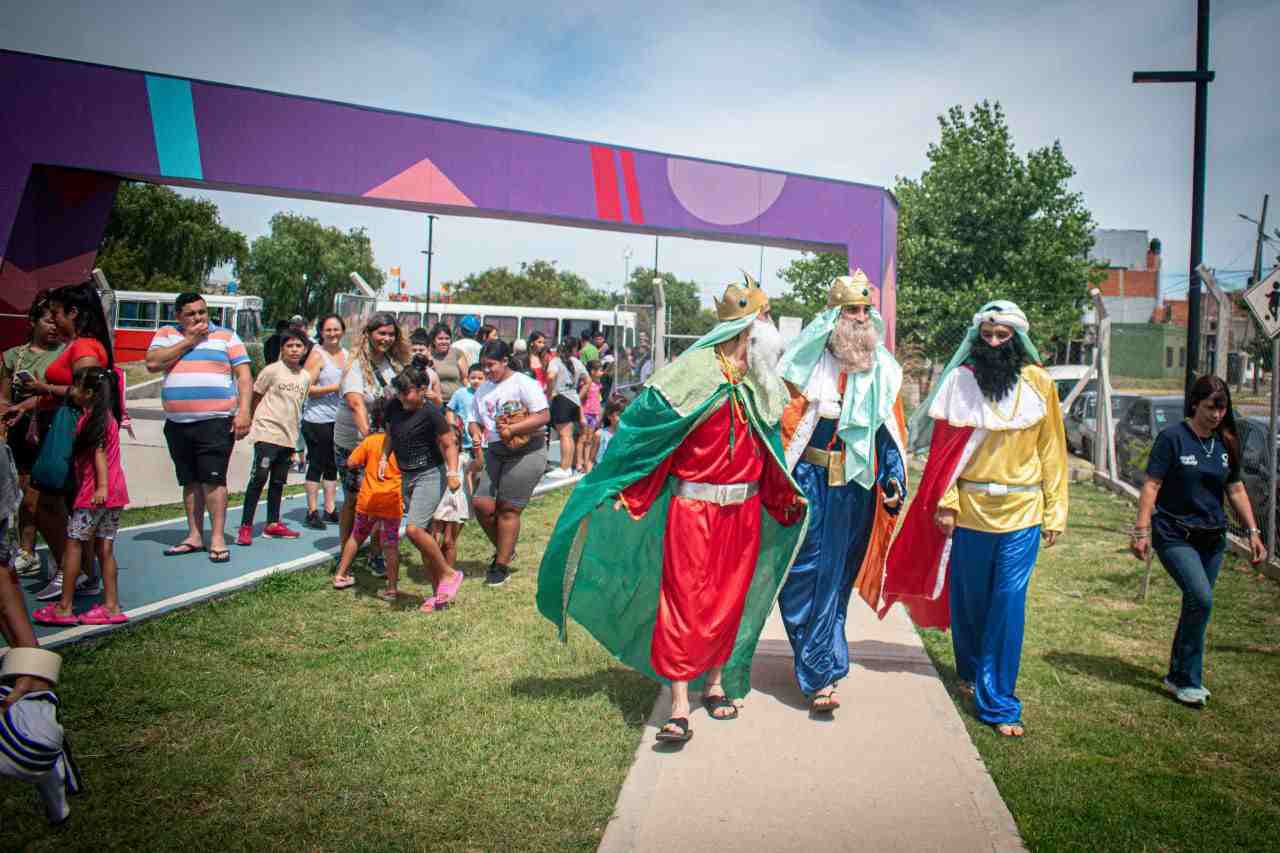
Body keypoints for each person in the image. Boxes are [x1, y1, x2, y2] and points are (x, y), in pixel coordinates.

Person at [537, 275, 806, 745]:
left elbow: (770, 451)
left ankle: (716, 683)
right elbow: (645, 429)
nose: (770, 328)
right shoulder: (692, 373)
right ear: (748, 327)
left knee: (729, 599)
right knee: (683, 601)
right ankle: (680, 705)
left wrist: (784, 494)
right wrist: (626, 486)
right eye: (764, 317)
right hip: (693, 509)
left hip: (741, 513)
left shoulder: (764, 380)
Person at [884, 301, 1068, 738]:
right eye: (987, 335)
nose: (994, 343)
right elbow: (944, 456)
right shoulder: (961, 382)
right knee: (969, 600)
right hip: (970, 510)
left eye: (1003, 336)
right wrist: (946, 502)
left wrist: (1055, 509)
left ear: (1017, 339)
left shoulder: (1040, 384)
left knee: (1008, 602)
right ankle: (968, 671)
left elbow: (1053, 451)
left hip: (1022, 511)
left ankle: (999, 701)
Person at [775, 272, 908, 713]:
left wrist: (892, 479)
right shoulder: (803, 368)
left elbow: (889, 435)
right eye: (851, 310)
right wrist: (783, 483)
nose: (860, 319)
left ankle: (822, 673)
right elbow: (784, 431)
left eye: (866, 311)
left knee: (836, 581)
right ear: (833, 316)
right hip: (810, 486)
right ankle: (818, 664)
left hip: (857, 489)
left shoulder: (883, 369)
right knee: (802, 578)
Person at [1131, 375, 1267, 707]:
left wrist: (1253, 531)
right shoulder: (1173, 439)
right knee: (1202, 599)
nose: (1217, 415)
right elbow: (1151, 485)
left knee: (1197, 605)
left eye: (1222, 409)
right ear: (1195, 404)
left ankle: (1178, 674)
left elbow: (1234, 489)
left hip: (1213, 538)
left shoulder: (1226, 442)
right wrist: (1142, 530)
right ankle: (1188, 680)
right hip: (1174, 534)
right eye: (1210, 407)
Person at [26, 282, 118, 600]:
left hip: (71, 433)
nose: (55, 320)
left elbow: (88, 392)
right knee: (63, 504)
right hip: (66, 429)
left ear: (74, 313)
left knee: (45, 502)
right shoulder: (79, 345)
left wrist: (43, 389)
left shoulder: (84, 348)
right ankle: (80, 571)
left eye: (57, 313)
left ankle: (71, 568)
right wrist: (26, 405)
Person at [146, 291, 252, 564]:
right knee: (190, 481)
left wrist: (244, 411)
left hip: (215, 422)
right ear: (178, 316)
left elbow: (244, 376)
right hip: (178, 424)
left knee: (213, 480)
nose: (198, 317)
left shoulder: (227, 336)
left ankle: (216, 537)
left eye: (202, 312)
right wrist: (189, 341)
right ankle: (194, 535)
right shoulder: (167, 334)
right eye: (191, 314)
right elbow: (153, 363)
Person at [33, 367, 130, 626]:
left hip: (95, 495)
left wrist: (101, 487)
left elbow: (98, 455)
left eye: (75, 387)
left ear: (88, 393)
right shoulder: (108, 417)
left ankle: (64, 607)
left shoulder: (89, 420)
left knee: (74, 544)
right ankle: (111, 605)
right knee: (105, 549)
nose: (71, 392)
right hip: (116, 494)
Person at [468, 339, 551, 587]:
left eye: (491, 365)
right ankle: (506, 547)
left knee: (507, 508)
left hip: (527, 451)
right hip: (496, 451)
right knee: (482, 505)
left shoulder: (523, 383)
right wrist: (474, 431)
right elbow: (474, 418)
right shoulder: (483, 389)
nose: (487, 371)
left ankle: (501, 564)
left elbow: (544, 415)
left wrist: (513, 429)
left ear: (505, 361)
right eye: (483, 366)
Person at [382, 366, 465, 610]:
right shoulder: (394, 407)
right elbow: (390, 435)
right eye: (398, 392)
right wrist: (383, 458)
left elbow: (449, 443)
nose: (401, 398)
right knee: (425, 538)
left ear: (421, 390)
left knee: (414, 530)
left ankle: (449, 574)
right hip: (407, 476)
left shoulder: (431, 413)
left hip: (430, 474)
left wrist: (452, 473)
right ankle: (438, 595)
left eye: (406, 392)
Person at [334, 313, 409, 569]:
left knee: (382, 497)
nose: (386, 339)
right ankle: (346, 550)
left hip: (386, 442)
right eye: (381, 333)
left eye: (391, 334)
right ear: (368, 334)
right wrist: (369, 441)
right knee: (355, 498)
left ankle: (375, 551)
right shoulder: (355, 364)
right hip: (354, 441)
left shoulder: (394, 364)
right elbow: (356, 403)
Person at [0, 292, 64, 576]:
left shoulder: (64, 354)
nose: (53, 327)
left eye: (57, 322)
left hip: (52, 427)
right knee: (24, 495)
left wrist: (34, 400)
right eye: (48, 321)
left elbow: (66, 395)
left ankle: (58, 550)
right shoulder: (13, 355)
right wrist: (8, 413)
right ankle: (27, 550)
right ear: (33, 322)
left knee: (49, 496)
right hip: (20, 430)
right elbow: (2, 397)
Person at [235, 331, 311, 544]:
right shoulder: (271, 371)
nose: (295, 349)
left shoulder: (305, 377)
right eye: (290, 345)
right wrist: (249, 418)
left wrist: (298, 442)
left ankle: (273, 523)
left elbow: (297, 407)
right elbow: (256, 395)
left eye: (299, 346)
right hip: (267, 433)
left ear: (305, 349)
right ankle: (246, 526)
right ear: (282, 349)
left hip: (289, 437)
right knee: (259, 478)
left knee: (278, 481)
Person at [330, 400, 402, 598]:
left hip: (368, 500)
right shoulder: (401, 443)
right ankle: (392, 587)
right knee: (391, 544)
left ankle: (340, 574)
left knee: (356, 536)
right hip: (391, 501)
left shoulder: (370, 441)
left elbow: (351, 462)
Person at [301, 314, 348, 529]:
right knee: (317, 463)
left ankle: (329, 509)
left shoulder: (346, 355)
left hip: (338, 418)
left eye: (336, 329)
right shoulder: (317, 355)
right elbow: (306, 389)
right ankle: (312, 511)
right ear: (321, 332)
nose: (332, 334)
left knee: (332, 465)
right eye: (328, 330)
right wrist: (334, 388)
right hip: (317, 419)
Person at [435, 363, 485, 564]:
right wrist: (450, 426)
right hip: (440, 504)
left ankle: (449, 570)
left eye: (480, 378)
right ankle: (436, 567)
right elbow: (450, 409)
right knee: (436, 537)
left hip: (457, 504)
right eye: (473, 377)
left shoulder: (464, 460)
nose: (476, 381)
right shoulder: (461, 394)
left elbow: (478, 465)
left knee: (450, 540)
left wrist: (478, 446)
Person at [545, 337, 588, 481]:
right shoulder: (577, 362)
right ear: (575, 349)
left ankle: (564, 467)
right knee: (568, 435)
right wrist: (578, 395)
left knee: (564, 435)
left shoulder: (555, 361)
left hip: (561, 399)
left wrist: (549, 393)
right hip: (573, 399)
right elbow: (588, 381)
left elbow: (550, 377)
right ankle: (567, 466)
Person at [427, 321, 468, 401]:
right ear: (433, 340)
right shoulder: (428, 355)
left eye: (447, 338)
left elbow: (465, 378)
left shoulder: (457, 353)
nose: (444, 342)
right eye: (440, 339)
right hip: (436, 401)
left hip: (456, 402)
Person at [579, 360, 604, 474]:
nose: (602, 372)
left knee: (589, 439)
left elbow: (598, 400)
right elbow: (579, 399)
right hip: (586, 413)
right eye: (600, 370)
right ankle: (579, 462)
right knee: (582, 438)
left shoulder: (598, 384)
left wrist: (599, 414)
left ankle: (587, 462)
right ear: (593, 372)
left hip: (594, 414)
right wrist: (581, 415)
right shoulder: (586, 384)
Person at [595, 396, 625, 464]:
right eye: (619, 415)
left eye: (625, 414)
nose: (623, 417)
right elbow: (591, 460)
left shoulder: (631, 435)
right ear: (609, 416)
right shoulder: (600, 434)